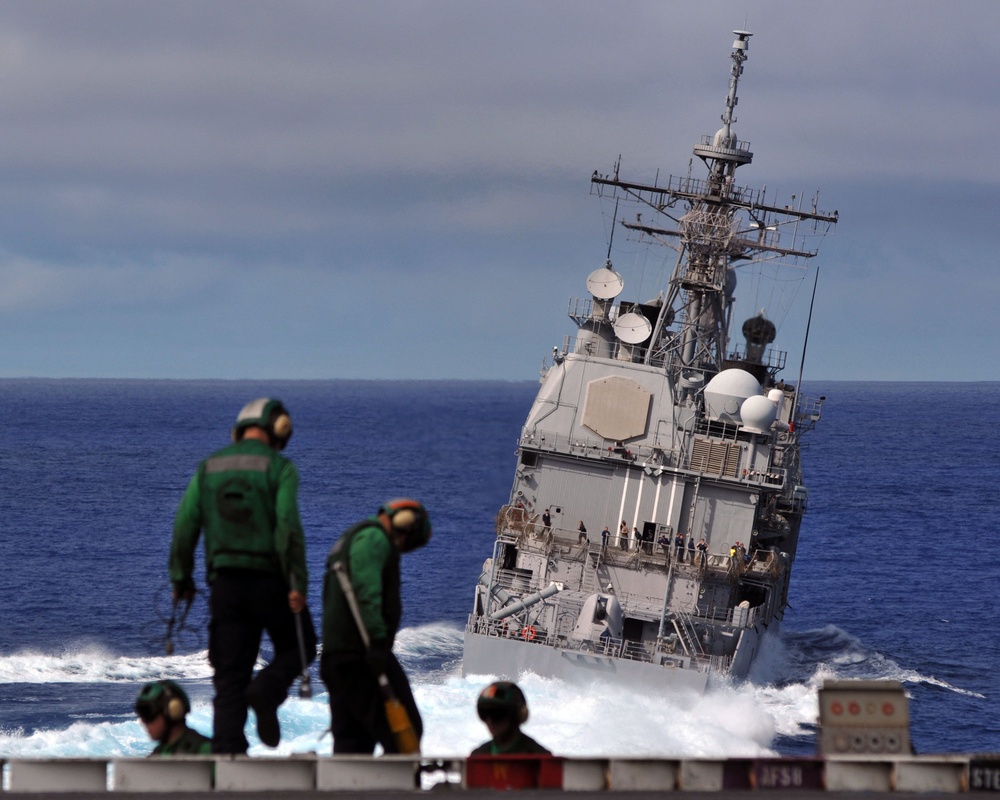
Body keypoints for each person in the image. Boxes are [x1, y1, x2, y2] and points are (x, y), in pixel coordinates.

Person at [169, 398, 317, 754]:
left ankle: (227, 755)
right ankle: (266, 691)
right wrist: (297, 582)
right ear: (279, 430)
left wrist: (181, 579)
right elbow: (289, 529)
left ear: (239, 429)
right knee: (301, 645)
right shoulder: (280, 469)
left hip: (225, 587)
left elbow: (185, 525)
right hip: (271, 582)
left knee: (229, 676)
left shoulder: (209, 467)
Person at [321, 499, 432, 754]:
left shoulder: (354, 537)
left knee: (354, 742)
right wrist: (379, 642)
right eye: (407, 541)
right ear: (405, 524)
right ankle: (400, 791)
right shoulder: (374, 539)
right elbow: (366, 592)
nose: (402, 547)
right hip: (362, 656)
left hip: (339, 659)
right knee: (405, 731)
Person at [471, 681, 550, 756]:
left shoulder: (540, 758)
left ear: (515, 715)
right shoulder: (478, 756)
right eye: (484, 714)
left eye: (496, 714)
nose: (490, 721)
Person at [135, 680, 211, 756]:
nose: (142, 721)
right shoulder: (156, 756)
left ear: (173, 711)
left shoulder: (207, 751)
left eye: (147, 713)